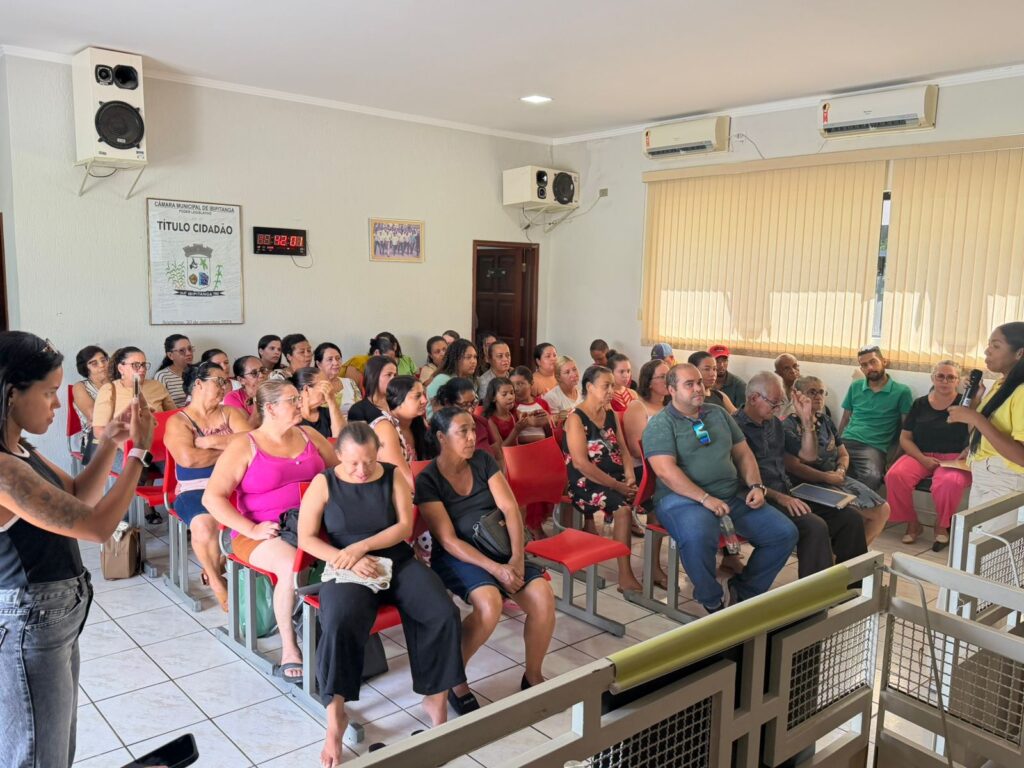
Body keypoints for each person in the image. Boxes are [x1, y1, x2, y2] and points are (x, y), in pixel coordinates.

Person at [0, 331, 154, 768]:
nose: (57, 404)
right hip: (29, 619)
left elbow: (79, 495)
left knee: (55, 746)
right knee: (37, 754)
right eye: (49, 392)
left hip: (54, 614)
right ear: (11, 395)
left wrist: (114, 440)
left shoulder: (20, 449)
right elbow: (98, 527)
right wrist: (139, 453)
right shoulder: (4, 470)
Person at [298, 423, 464, 767]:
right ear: (338, 455)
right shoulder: (323, 483)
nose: (361, 471)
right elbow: (306, 539)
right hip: (347, 566)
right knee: (340, 620)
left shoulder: (392, 476)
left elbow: (404, 527)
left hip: (395, 560)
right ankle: (335, 716)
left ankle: (436, 700)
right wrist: (348, 558)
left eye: (369, 462)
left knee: (443, 612)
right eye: (353, 463)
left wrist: (363, 546)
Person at [416, 407, 556, 714]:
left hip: (500, 548)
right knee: (490, 604)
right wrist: (496, 569)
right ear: (441, 438)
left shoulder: (482, 461)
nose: (471, 437)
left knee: (542, 596)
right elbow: (448, 540)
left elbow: (510, 508)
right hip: (459, 557)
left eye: (472, 430)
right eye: (462, 432)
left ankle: (533, 675)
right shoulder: (429, 479)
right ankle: (455, 680)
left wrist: (517, 560)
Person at [203, 380, 338, 683]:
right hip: (263, 531)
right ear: (270, 408)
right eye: (292, 400)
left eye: (299, 398)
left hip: (312, 523)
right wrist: (251, 528)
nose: (301, 404)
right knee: (291, 565)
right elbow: (212, 498)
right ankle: (289, 648)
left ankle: (339, 633)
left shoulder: (310, 435)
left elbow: (339, 473)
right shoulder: (245, 445)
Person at [644, 364, 798, 613]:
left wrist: (756, 485)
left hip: (729, 494)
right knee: (698, 534)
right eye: (689, 384)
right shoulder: (661, 424)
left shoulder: (717, 413)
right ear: (671, 390)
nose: (698, 388)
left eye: (699, 382)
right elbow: (666, 472)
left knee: (783, 533)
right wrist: (705, 498)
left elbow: (743, 453)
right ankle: (712, 600)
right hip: (681, 499)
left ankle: (745, 591)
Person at [735, 372, 867, 576]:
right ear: (753, 398)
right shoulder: (734, 428)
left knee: (850, 519)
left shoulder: (774, 423)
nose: (779, 408)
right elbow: (738, 480)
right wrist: (781, 497)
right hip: (757, 498)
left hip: (786, 492)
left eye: (781, 403)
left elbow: (809, 455)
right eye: (774, 403)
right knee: (814, 527)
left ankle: (851, 585)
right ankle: (816, 594)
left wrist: (806, 422)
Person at [163, 362, 251, 610]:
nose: (225, 386)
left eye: (226, 382)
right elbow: (189, 459)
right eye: (219, 381)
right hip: (195, 487)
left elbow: (251, 440)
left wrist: (211, 441)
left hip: (237, 483)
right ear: (199, 384)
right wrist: (231, 450)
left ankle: (220, 563)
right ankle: (215, 580)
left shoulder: (230, 413)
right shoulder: (179, 421)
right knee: (204, 526)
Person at [783, 376, 892, 545]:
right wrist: (826, 477)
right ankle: (841, 554)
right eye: (812, 392)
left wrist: (840, 471)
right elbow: (793, 467)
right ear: (798, 395)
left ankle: (851, 555)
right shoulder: (788, 425)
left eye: (821, 392)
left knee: (883, 510)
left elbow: (843, 454)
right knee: (852, 513)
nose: (818, 397)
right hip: (807, 483)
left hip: (835, 477)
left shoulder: (825, 420)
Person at [564, 365, 643, 592]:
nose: (611, 391)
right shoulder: (576, 418)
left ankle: (655, 567)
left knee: (654, 496)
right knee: (622, 509)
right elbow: (581, 464)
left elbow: (623, 449)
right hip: (586, 483)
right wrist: (618, 486)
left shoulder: (610, 414)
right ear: (589, 387)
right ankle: (625, 575)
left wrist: (629, 476)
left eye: (612, 386)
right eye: (606, 386)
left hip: (615, 478)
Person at [884, 362, 971, 549]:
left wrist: (966, 452)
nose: (945, 381)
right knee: (895, 476)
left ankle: (942, 525)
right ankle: (912, 523)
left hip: (954, 458)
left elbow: (975, 434)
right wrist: (922, 459)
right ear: (933, 378)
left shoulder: (965, 405)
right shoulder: (920, 404)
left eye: (951, 377)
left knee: (948, 483)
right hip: (920, 454)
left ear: (958, 381)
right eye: (940, 376)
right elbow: (905, 438)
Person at [948, 322, 1024, 531]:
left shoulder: (1021, 391)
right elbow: (978, 433)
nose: (987, 351)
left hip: (1007, 480)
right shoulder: (1002, 385)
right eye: (989, 344)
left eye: (996, 346)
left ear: (1019, 353)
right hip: (986, 475)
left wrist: (976, 417)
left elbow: (1021, 456)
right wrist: (975, 402)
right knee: (977, 540)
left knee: (989, 545)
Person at [838, 345, 913, 491]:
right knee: (821, 467)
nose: (870, 368)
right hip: (846, 441)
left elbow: (907, 430)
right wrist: (836, 443)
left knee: (871, 477)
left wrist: (894, 459)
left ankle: (855, 506)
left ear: (884, 361)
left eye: (873, 362)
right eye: (864, 365)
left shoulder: (902, 391)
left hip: (873, 447)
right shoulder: (856, 386)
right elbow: (845, 419)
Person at [623, 359, 671, 588]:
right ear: (649, 382)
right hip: (643, 469)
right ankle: (652, 567)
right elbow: (636, 449)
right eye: (662, 377)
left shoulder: (672, 406)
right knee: (661, 503)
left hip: (666, 465)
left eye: (670, 376)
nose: (668, 381)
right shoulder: (637, 406)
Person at [92, 346, 176, 440]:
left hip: (160, 440)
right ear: (121, 368)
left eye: (143, 365)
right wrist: (125, 441)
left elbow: (174, 415)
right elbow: (99, 431)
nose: (142, 369)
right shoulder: (108, 390)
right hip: (124, 444)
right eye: (135, 365)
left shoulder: (156, 386)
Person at [370, 376, 431, 489]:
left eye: (424, 394)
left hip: (417, 489)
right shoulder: (385, 428)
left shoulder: (418, 423)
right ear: (397, 400)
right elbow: (403, 478)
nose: (424, 400)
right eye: (417, 396)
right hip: (393, 492)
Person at [436, 378, 502, 463]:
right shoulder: (441, 431)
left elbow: (498, 456)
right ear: (448, 403)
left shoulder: (481, 422)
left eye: (473, 403)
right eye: (464, 405)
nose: (470, 410)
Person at [71, 345, 109, 465]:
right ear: (86, 368)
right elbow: (94, 416)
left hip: (124, 436)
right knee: (136, 464)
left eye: (103, 360)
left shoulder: (118, 383)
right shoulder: (80, 387)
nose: (102, 365)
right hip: (96, 443)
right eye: (94, 363)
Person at [426, 339, 479, 419]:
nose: (473, 361)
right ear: (456, 358)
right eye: (468, 357)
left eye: (475, 357)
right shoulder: (442, 379)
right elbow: (438, 413)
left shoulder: (469, 380)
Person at [292, 367, 345, 441]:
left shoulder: (329, 412)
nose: (329, 389)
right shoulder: (293, 417)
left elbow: (341, 439)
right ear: (306, 389)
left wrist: (332, 401)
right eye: (324, 385)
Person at [314, 342, 362, 418]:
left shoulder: (349, 382)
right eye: (330, 359)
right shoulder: (314, 387)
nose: (336, 363)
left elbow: (360, 409)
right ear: (319, 364)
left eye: (338, 358)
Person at [347, 356, 399, 425]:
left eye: (395, 375)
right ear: (374, 376)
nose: (394, 379)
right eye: (389, 375)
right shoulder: (358, 410)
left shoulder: (399, 403)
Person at [509, 366, 553, 445]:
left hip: (543, 445)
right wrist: (527, 421)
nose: (515, 388)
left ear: (531, 383)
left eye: (520, 384)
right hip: (520, 448)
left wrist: (546, 422)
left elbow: (550, 434)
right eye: (512, 385)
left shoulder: (542, 403)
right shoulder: (510, 406)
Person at [153, 333, 194, 408]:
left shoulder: (198, 372)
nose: (188, 353)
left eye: (190, 349)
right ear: (170, 355)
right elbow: (159, 406)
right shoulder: (162, 376)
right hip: (174, 414)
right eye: (182, 350)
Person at [224, 355, 268, 422]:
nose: (261, 375)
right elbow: (248, 427)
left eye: (262, 370)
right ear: (241, 380)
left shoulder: (274, 391)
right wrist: (256, 398)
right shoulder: (232, 397)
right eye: (254, 373)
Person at [542, 355, 583, 425]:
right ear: (558, 377)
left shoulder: (583, 391)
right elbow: (554, 425)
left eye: (574, 369)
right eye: (567, 372)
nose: (574, 374)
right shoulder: (551, 397)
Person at [482, 377, 523, 445]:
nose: (510, 397)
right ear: (493, 397)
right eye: (504, 394)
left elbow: (525, 417)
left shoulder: (514, 411)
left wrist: (529, 417)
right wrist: (516, 430)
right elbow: (501, 448)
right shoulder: (491, 421)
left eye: (512, 393)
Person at [774, 353, 801, 419]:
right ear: (777, 373)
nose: (793, 371)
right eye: (786, 368)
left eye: (795, 366)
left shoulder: (805, 392)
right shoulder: (772, 393)